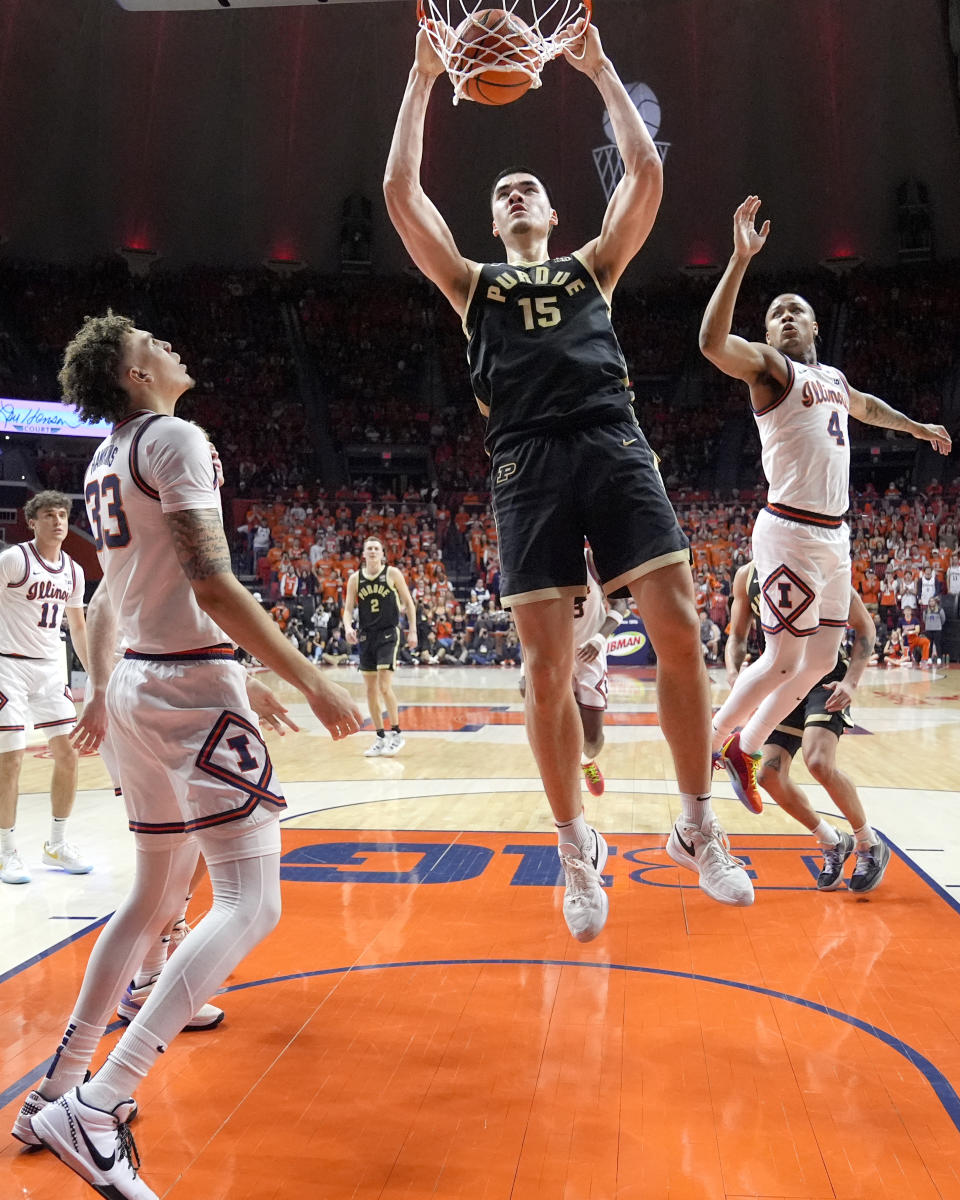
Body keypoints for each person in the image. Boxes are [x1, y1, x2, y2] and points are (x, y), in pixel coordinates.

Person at [385, 19, 754, 938]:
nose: (516, 194)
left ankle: (695, 823)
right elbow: (400, 193)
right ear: (496, 220)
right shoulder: (473, 284)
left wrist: (598, 69)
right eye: (504, 191)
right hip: (525, 459)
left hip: (611, 437)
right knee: (544, 669)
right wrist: (424, 77)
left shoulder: (593, 266)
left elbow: (647, 179)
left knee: (676, 625)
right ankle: (574, 846)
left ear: (552, 217)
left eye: (531, 190)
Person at [14, 312, 362, 1199]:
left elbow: (114, 601)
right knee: (252, 903)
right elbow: (211, 580)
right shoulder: (176, 437)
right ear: (134, 376)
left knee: (154, 893)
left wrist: (105, 690)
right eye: (152, 344)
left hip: (138, 681)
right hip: (183, 689)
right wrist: (312, 677)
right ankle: (101, 1105)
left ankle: (59, 1079)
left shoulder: (105, 459)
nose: (172, 346)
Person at [700, 196, 951, 812]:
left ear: (816, 328)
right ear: (769, 333)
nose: (788, 317)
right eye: (778, 313)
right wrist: (737, 261)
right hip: (787, 530)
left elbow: (870, 407)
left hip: (835, 537)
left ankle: (747, 747)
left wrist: (920, 429)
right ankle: (710, 740)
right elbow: (710, 342)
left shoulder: (834, 380)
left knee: (817, 661)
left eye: (799, 312)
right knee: (782, 655)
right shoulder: (770, 369)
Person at [726, 561, 889, 892]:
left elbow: (866, 627)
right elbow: (738, 636)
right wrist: (735, 674)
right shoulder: (747, 576)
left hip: (824, 679)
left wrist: (852, 682)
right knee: (767, 775)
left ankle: (868, 843)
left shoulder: (820, 565)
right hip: (779, 682)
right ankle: (831, 841)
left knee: (818, 762)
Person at [0, 491, 91, 885]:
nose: (58, 521)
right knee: (11, 758)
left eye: (63, 515)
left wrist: (98, 680)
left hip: (50, 668)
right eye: (49, 515)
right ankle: (6, 850)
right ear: (31, 522)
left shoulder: (73, 570)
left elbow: (79, 627)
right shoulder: (14, 559)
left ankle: (56, 844)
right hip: (7, 665)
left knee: (68, 753)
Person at [343, 536, 418, 758]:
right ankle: (380, 736)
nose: (373, 551)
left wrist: (412, 630)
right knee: (370, 690)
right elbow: (347, 609)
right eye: (369, 549)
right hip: (366, 636)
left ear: (382, 554)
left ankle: (396, 733)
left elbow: (409, 603)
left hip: (388, 633)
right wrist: (348, 627)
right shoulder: (355, 579)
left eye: (377, 548)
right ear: (363, 554)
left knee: (384, 686)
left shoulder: (392, 574)